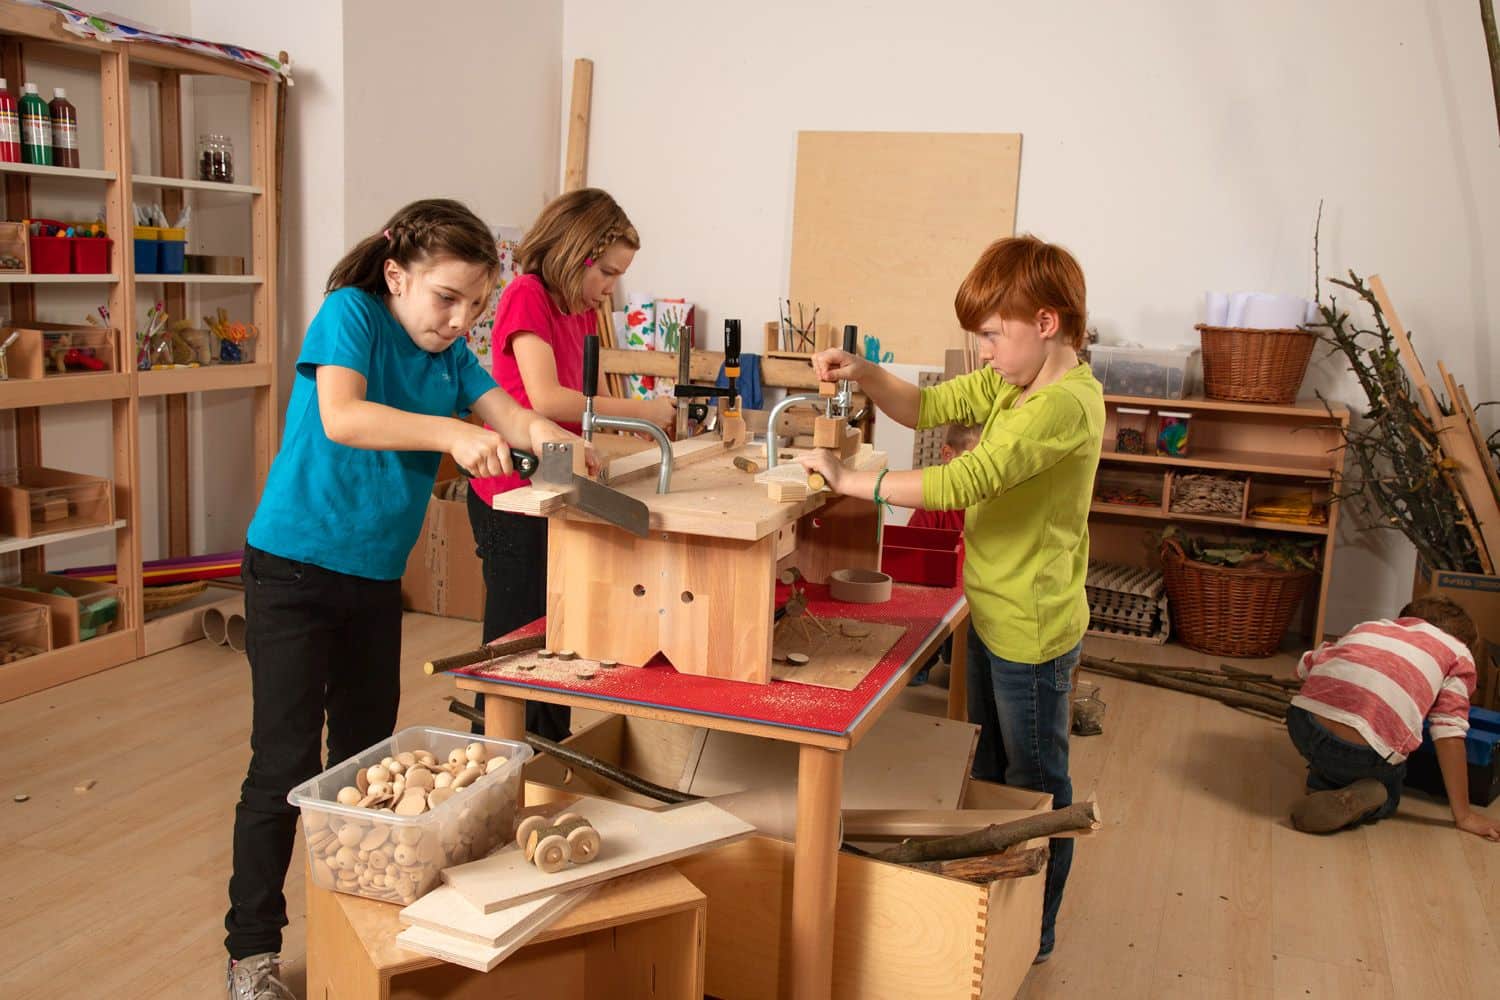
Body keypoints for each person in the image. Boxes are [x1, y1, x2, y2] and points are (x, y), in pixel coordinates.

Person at [225, 199, 591, 1000]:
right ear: (396, 276)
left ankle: (353, 935)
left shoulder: (452, 355)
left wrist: (560, 443)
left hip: (371, 581)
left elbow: (512, 414)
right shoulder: (350, 314)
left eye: (476, 306)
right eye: (446, 298)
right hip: (292, 571)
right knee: (283, 763)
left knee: (367, 765)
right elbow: (344, 416)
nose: (460, 321)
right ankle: (251, 952)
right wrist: (452, 435)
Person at [800, 234, 1103, 963]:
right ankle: (991, 919)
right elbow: (928, 406)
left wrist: (852, 482)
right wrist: (866, 372)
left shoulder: (1063, 405)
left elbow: (966, 480)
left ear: (1047, 323)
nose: (986, 352)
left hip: (1032, 627)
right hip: (993, 609)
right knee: (992, 773)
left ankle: (1034, 932)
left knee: (1036, 790)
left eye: (994, 334)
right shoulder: (1013, 381)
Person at [465, 188, 674, 742]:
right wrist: (644, 412)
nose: (610, 288)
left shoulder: (580, 310)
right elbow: (546, 399)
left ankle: (549, 750)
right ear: (576, 254)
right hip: (513, 491)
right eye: (607, 273)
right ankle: (496, 753)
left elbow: (584, 404)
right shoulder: (527, 295)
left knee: (560, 632)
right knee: (514, 640)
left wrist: (600, 441)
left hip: (557, 482)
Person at [1287, 594, 1500, 840]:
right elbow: (1448, 733)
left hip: (1302, 725)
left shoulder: (1370, 626)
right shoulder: (1458, 654)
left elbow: (1303, 668)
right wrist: (1464, 815)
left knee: (1334, 727)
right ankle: (1368, 797)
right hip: (1362, 754)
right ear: (1465, 642)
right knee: (1392, 784)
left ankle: (1322, 780)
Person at [906, 422, 979, 686]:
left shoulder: (988, 502)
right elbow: (913, 553)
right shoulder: (933, 503)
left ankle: (960, 661)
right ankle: (924, 658)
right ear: (948, 455)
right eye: (972, 463)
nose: (980, 474)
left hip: (976, 593)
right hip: (939, 593)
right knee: (923, 611)